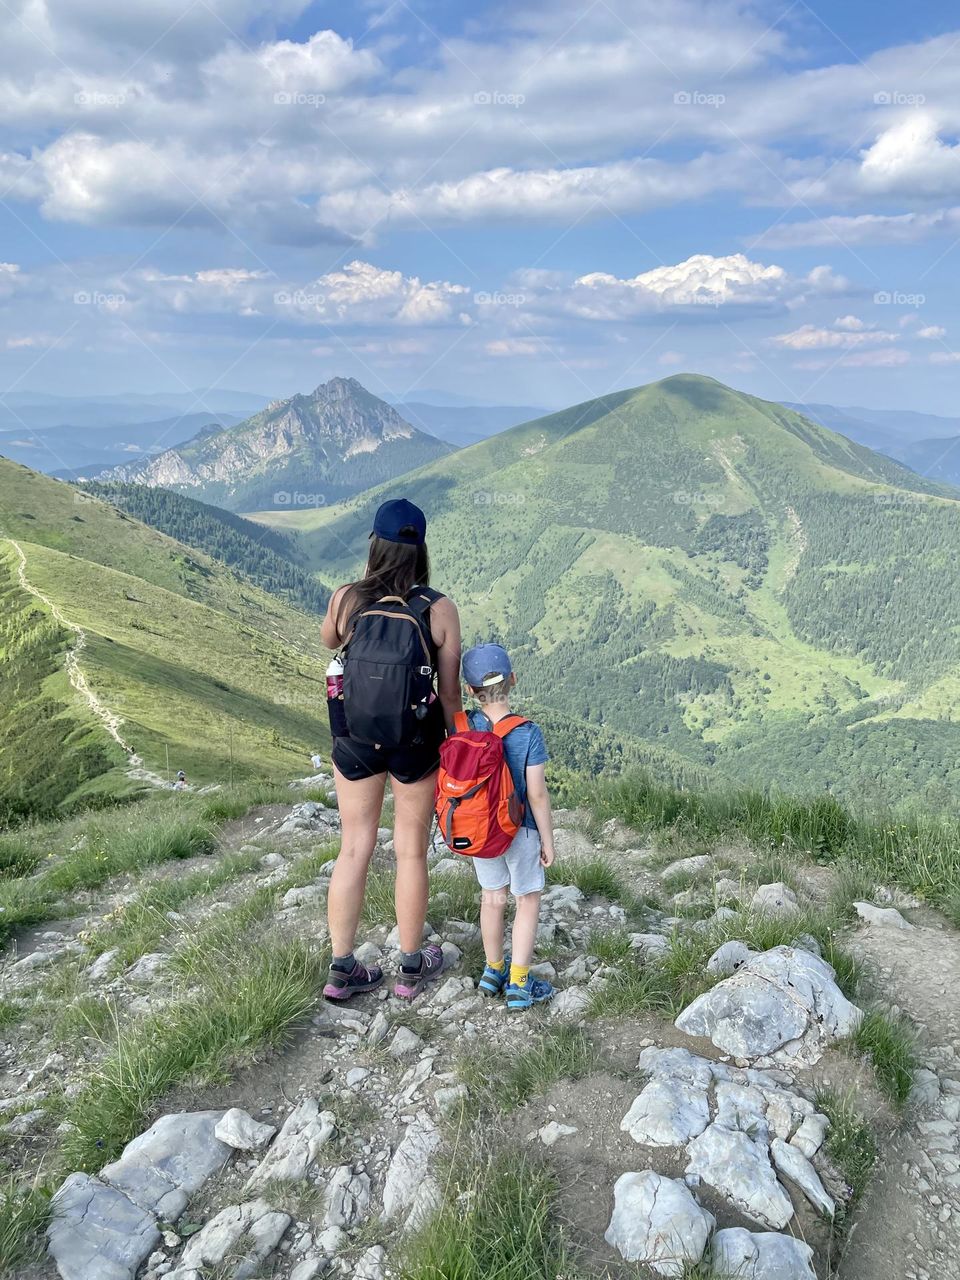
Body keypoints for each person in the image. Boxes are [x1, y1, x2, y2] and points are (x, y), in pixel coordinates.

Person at [319, 499, 462, 1001]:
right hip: (415, 743)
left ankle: (342, 970)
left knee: (354, 846)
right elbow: (448, 694)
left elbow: (328, 640)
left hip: (355, 740)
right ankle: (408, 968)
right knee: (410, 851)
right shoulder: (438, 609)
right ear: (420, 548)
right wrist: (456, 745)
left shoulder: (345, 599)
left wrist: (363, 593)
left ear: (374, 545)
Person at [461, 643, 557, 1010]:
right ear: (514, 680)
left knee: (492, 898)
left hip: (481, 833)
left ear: (471, 691)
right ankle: (518, 983)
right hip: (521, 832)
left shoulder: (465, 726)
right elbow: (537, 794)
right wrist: (547, 839)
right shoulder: (528, 732)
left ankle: (492, 970)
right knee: (527, 900)